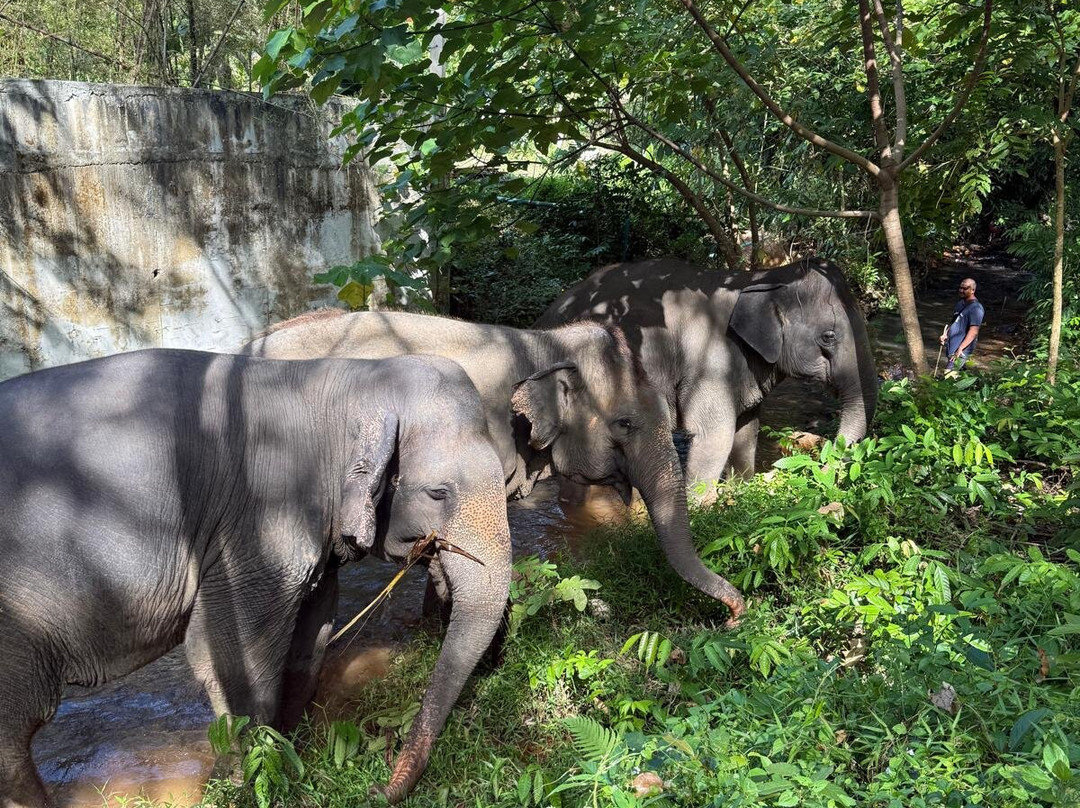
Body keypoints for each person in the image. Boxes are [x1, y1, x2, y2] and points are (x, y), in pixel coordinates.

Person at [939, 277, 984, 371]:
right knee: (959, 376)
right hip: (952, 347)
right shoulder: (960, 303)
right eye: (960, 288)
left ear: (972, 290)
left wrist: (961, 348)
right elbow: (955, 321)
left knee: (949, 375)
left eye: (965, 288)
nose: (961, 290)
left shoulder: (976, 308)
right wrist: (945, 334)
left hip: (961, 350)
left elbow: (973, 331)